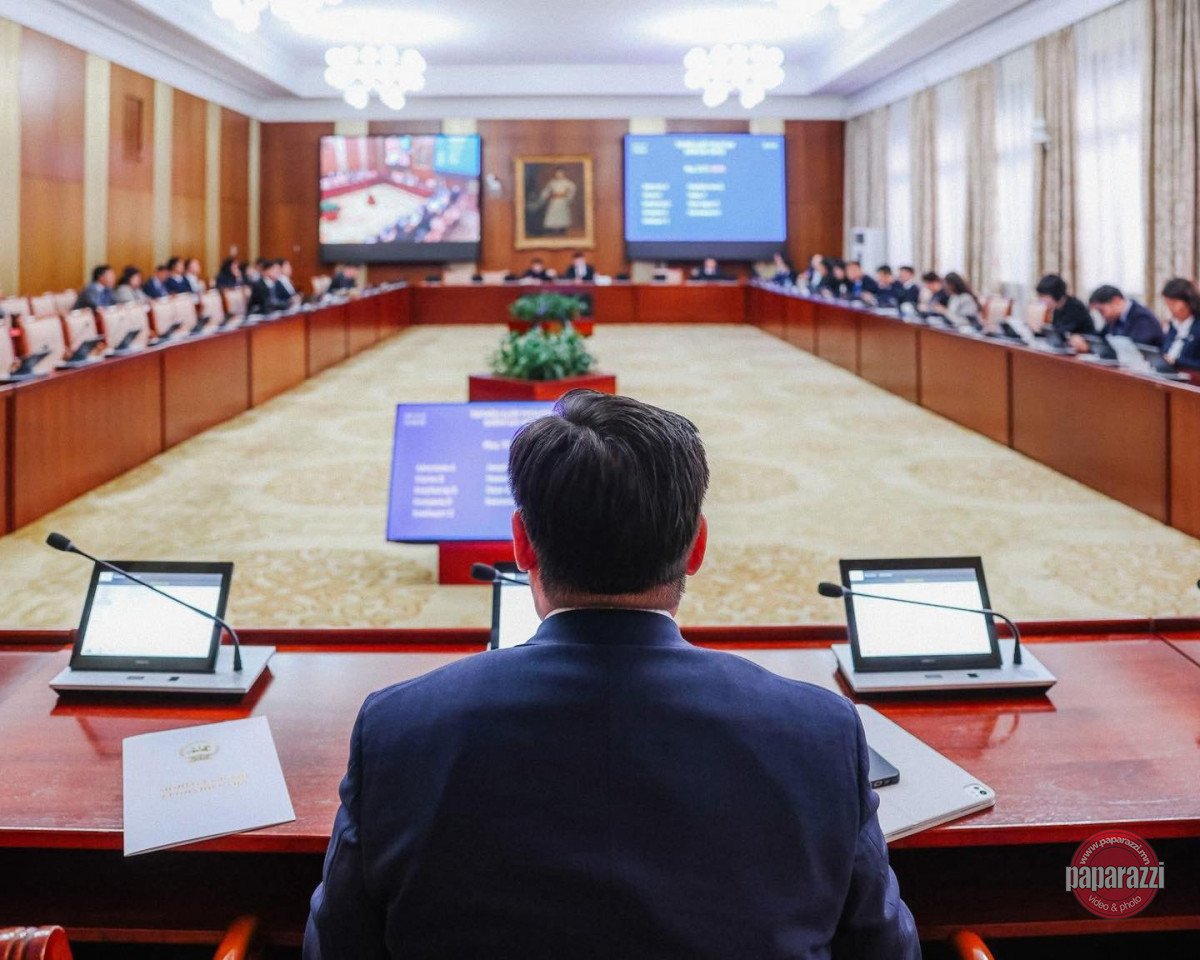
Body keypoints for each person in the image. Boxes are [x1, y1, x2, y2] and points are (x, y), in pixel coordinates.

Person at [304, 390, 919, 960]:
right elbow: (886, 951)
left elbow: (335, 948)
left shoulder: (398, 729)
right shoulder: (820, 732)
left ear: (520, 546)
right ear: (697, 548)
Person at [1086, 286, 1163, 349]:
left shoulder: (1142, 318)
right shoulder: (1114, 318)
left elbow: (1135, 349)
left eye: (1101, 311)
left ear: (1116, 301)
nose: (1102, 315)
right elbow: (1100, 337)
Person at [1160, 277, 1200, 371]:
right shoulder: (1173, 325)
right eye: (1168, 304)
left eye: (1174, 303)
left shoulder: (1197, 326)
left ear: (1189, 302)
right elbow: (1165, 352)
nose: (1171, 308)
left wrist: (1176, 362)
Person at [535, 167, 577, 236]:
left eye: (560, 173)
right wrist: (543, 197)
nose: (559, 175)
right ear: (555, 174)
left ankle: (562, 229)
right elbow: (547, 190)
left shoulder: (567, 182)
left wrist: (569, 197)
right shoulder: (552, 182)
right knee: (552, 214)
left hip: (562, 201)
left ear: (563, 174)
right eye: (557, 173)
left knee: (562, 215)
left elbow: (573, 189)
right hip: (554, 201)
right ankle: (551, 229)